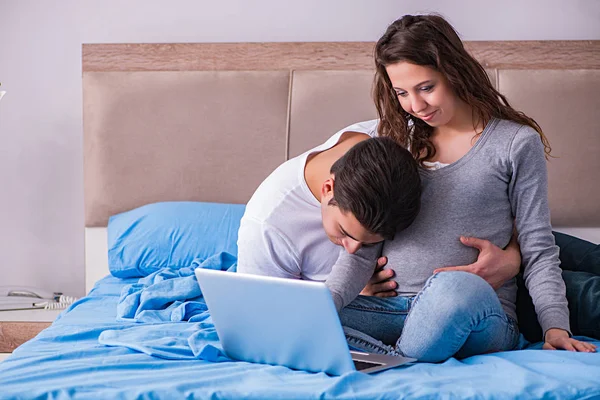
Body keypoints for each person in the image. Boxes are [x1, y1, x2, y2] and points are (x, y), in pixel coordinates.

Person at [331, 14, 596, 362]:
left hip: (477, 313)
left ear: (454, 71)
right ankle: (396, 357)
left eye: (426, 87)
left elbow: (539, 247)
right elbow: (362, 248)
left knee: (454, 289)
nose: (415, 105)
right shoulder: (391, 140)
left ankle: (394, 358)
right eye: (401, 93)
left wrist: (555, 328)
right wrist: (324, 304)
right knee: (305, 312)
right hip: (395, 312)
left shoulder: (514, 143)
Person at [236, 124, 421, 311]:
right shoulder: (267, 227)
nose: (352, 250)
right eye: (344, 232)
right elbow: (261, 314)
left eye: (368, 243)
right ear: (328, 189)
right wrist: (353, 297)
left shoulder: (408, 140)